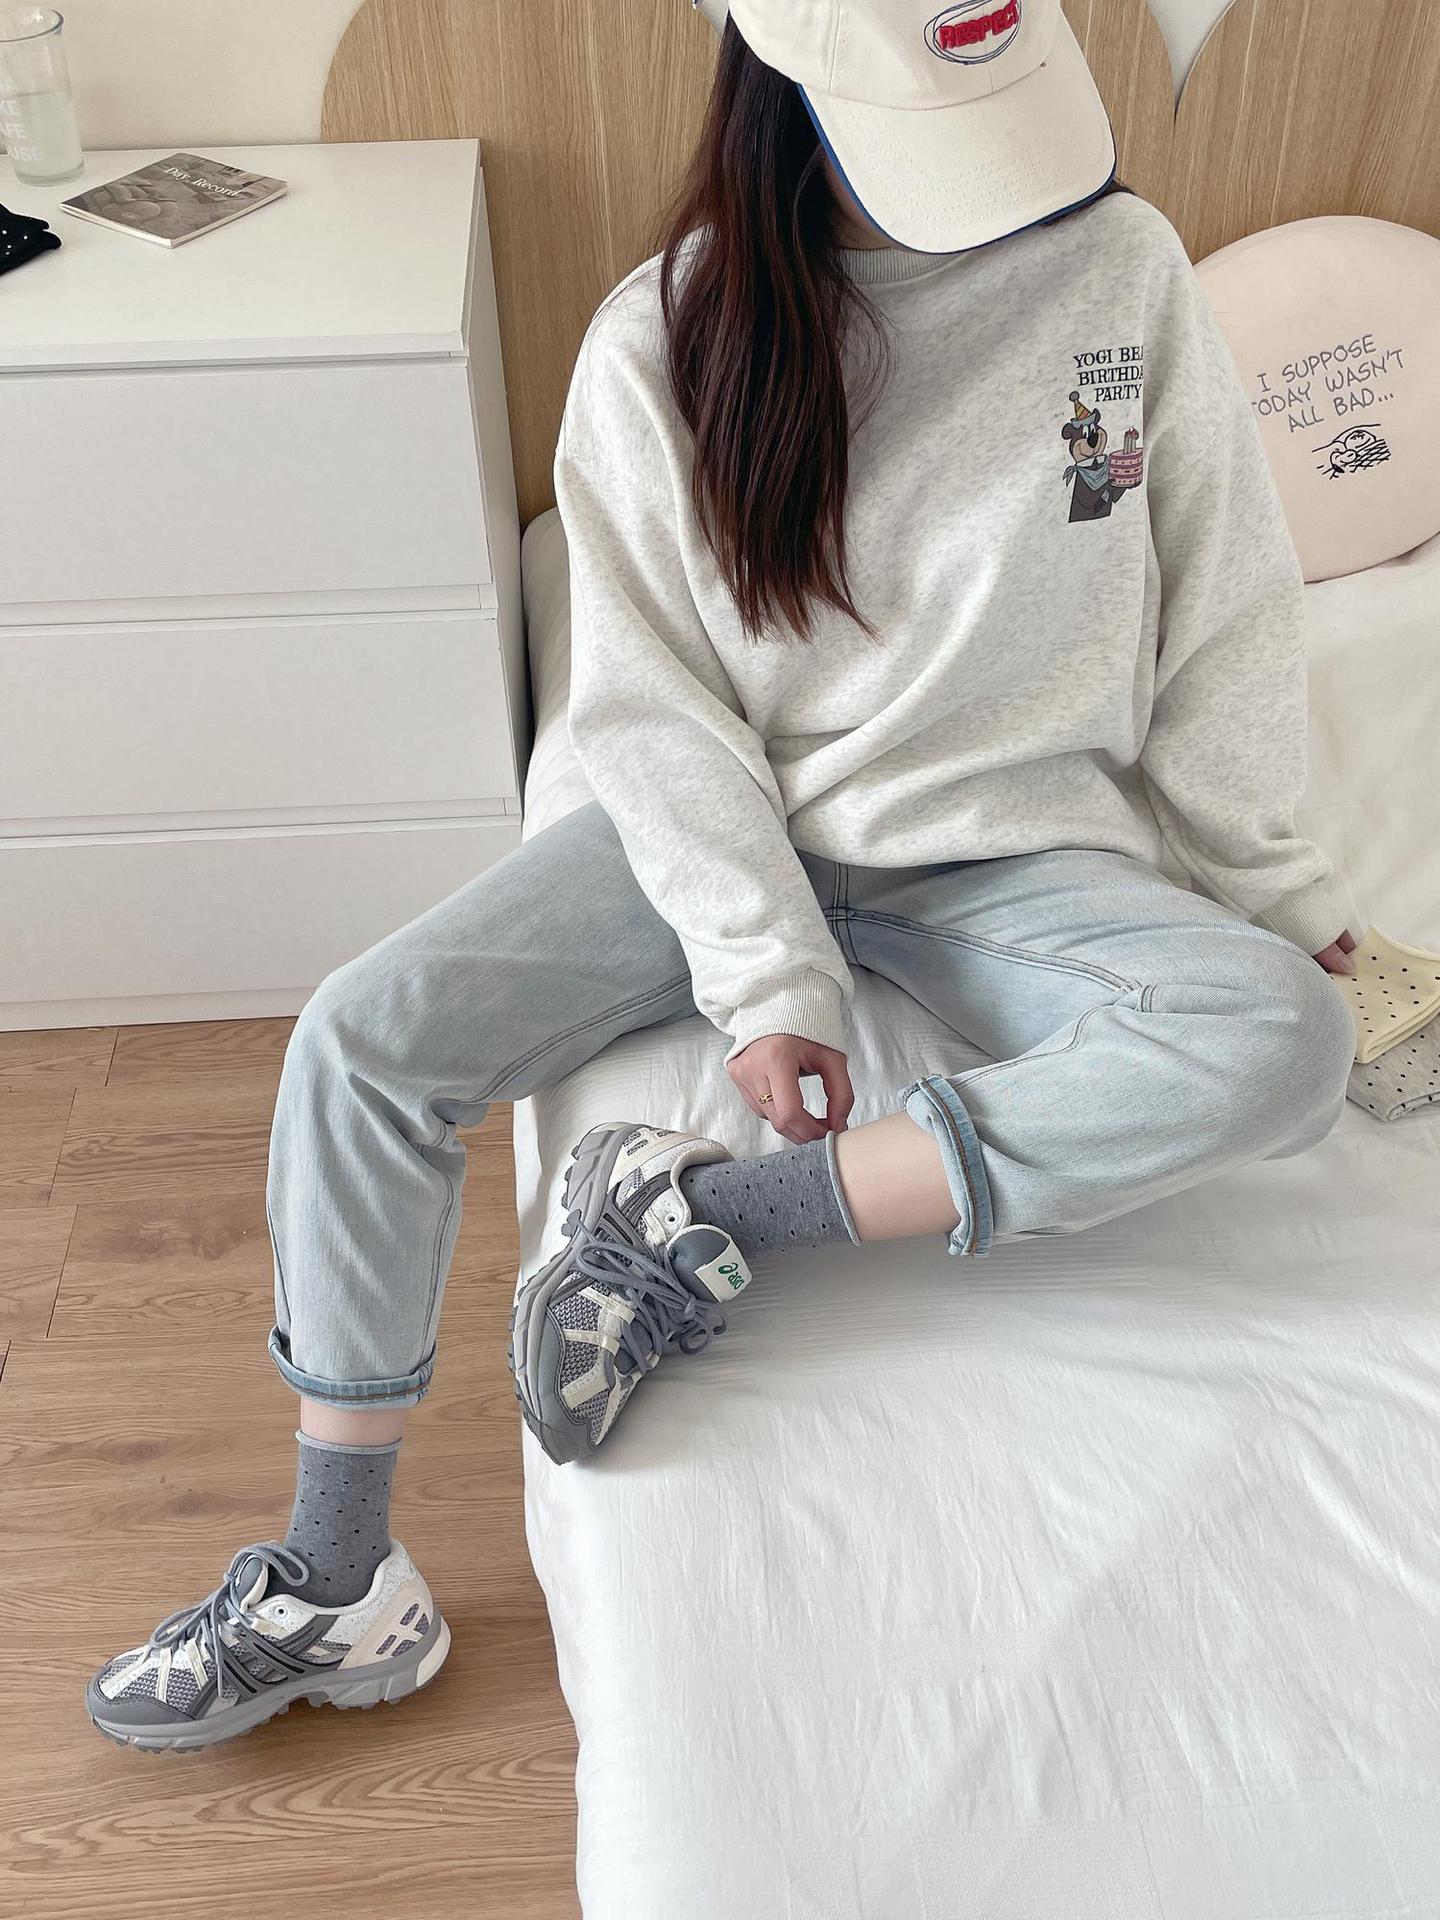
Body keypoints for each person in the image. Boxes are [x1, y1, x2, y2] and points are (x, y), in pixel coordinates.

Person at [87, 0, 1360, 1753]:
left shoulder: (1122, 269)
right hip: (729, 827)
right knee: (361, 1039)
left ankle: (700, 1223)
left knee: (1286, 1038)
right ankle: (336, 1576)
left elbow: (1227, 595)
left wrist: (1271, 884)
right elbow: (651, 703)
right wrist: (768, 980)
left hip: (1012, 852)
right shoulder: (661, 340)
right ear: (791, 90)